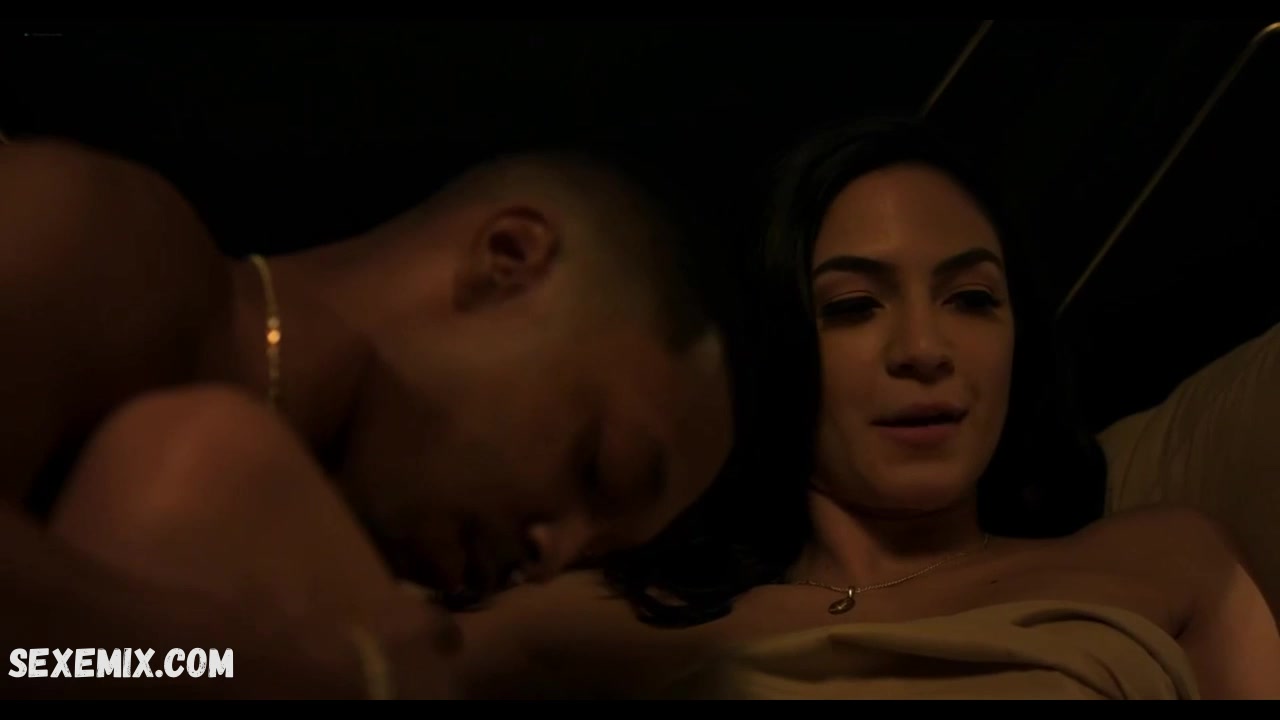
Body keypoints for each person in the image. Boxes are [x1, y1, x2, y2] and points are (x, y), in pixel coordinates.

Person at [450, 117, 1280, 700]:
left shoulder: (1168, 561)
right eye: (852, 307)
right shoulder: (620, 620)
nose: (924, 349)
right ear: (774, 345)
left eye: (971, 298)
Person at [0, 134, 733, 698]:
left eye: (594, 557)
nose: (553, 559)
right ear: (508, 259)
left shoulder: (359, 603)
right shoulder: (96, 233)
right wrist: (261, 666)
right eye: (597, 468)